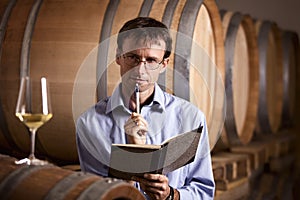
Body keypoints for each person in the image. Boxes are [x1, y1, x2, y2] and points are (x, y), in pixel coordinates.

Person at [76, 17, 215, 200]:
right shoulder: (89, 122)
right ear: (119, 56)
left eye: (151, 60)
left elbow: (204, 192)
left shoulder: (191, 117)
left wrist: (170, 195)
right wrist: (131, 157)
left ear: (163, 64)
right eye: (133, 57)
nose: (140, 70)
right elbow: (95, 195)